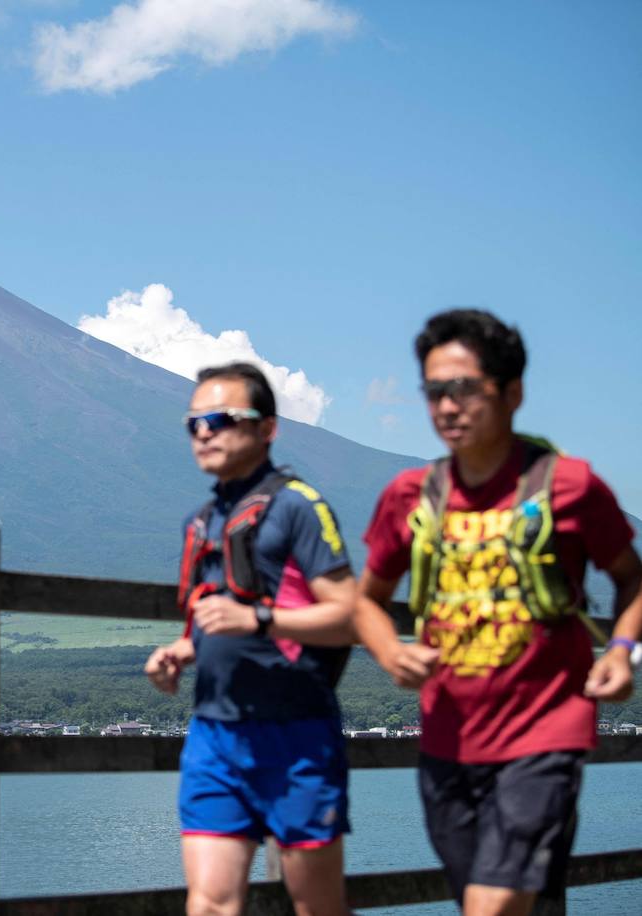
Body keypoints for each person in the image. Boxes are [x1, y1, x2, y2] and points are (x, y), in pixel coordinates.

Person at [354, 309, 642, 916]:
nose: (446, 406)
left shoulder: (570, 486)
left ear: (513, 393)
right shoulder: (411, 496)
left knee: (491, 907)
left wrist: (621, 650)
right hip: (447, 742)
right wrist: (389, 651)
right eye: (434, 391)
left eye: (463, 388)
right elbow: (367, 600)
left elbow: (631, 580)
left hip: (545, 734)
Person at [145, 361, 357, 916]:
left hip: (298, 737)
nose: (205, 431)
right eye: (194, 422)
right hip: (215, 736)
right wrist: (180, 653)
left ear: (267, 428)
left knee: (317, 907)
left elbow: (347, 614)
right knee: (211, 903)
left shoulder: (299, 508)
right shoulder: (201, 521)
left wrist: (259, 619)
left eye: (220, 418)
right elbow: (207, 622)